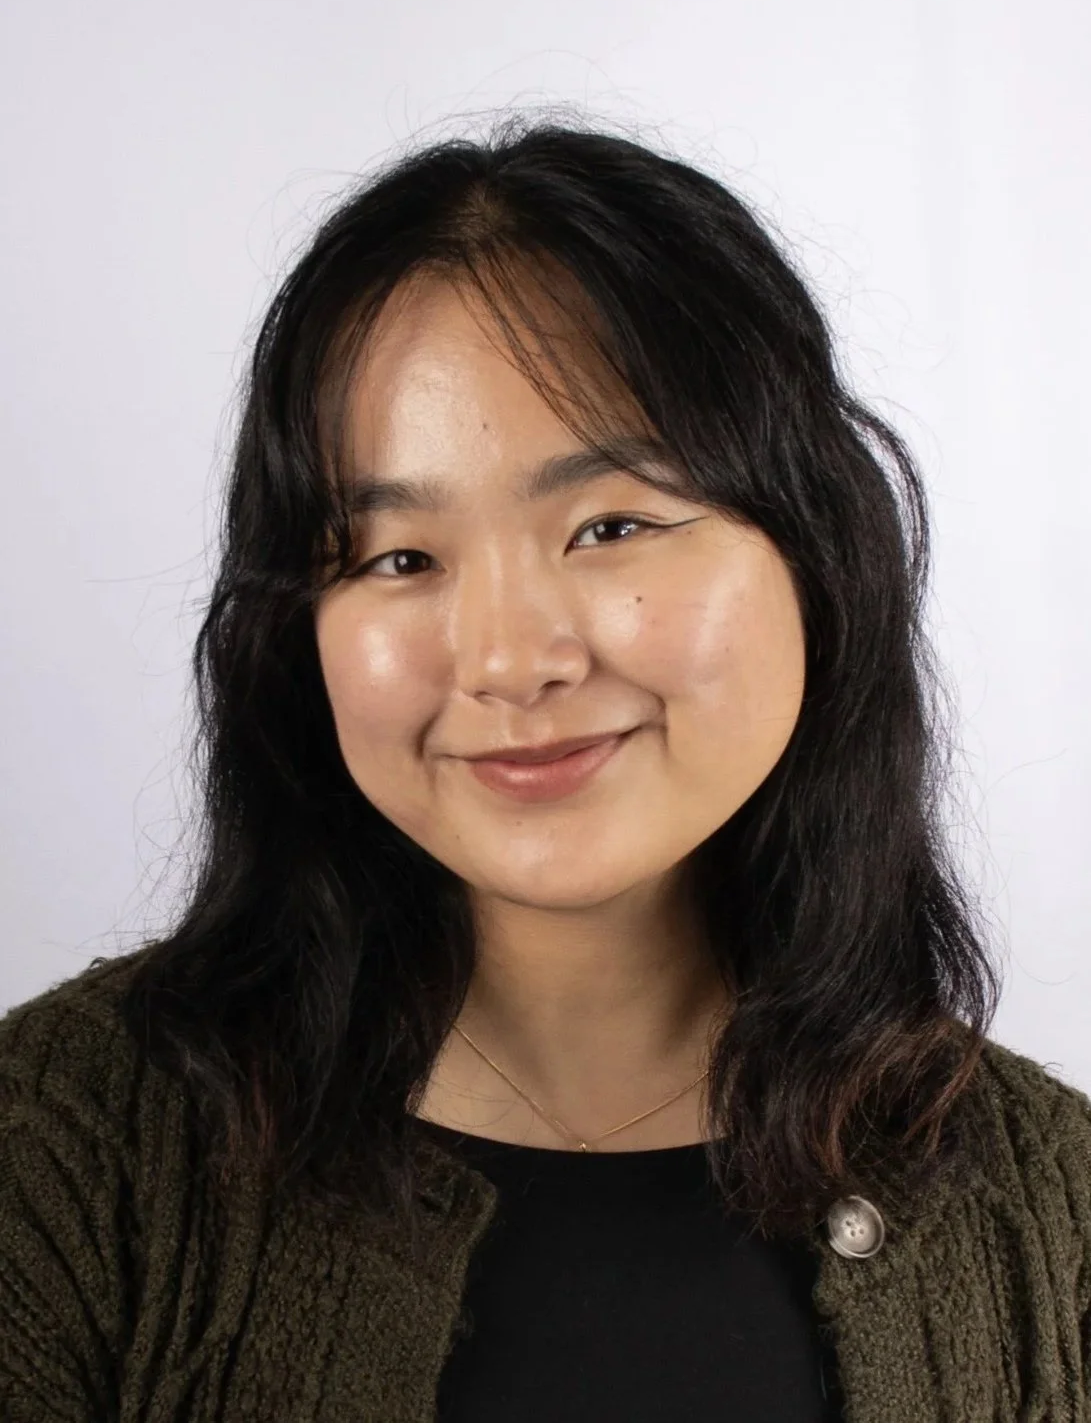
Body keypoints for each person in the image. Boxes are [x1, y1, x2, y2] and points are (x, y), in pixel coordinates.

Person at [1, 113, 1089, 1423]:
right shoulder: (57, 1154)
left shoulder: (1056, 1208)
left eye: (611, 524)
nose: (511, 661)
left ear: (815, 555)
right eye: (400, 557)